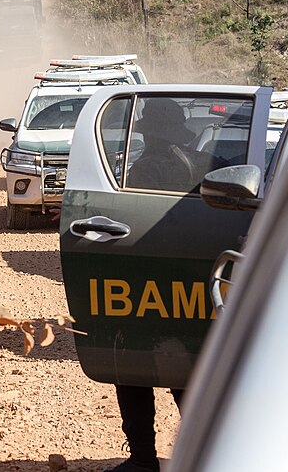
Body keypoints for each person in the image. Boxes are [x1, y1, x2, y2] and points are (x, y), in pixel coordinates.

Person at [105, 98, 200, 472]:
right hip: (184, 278)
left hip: (152, 278)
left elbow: (134, 223)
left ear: (151, 134)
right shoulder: (192, 160)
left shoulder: (147, 167)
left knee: (129, 368)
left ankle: (143, 459)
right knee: (182, 374)